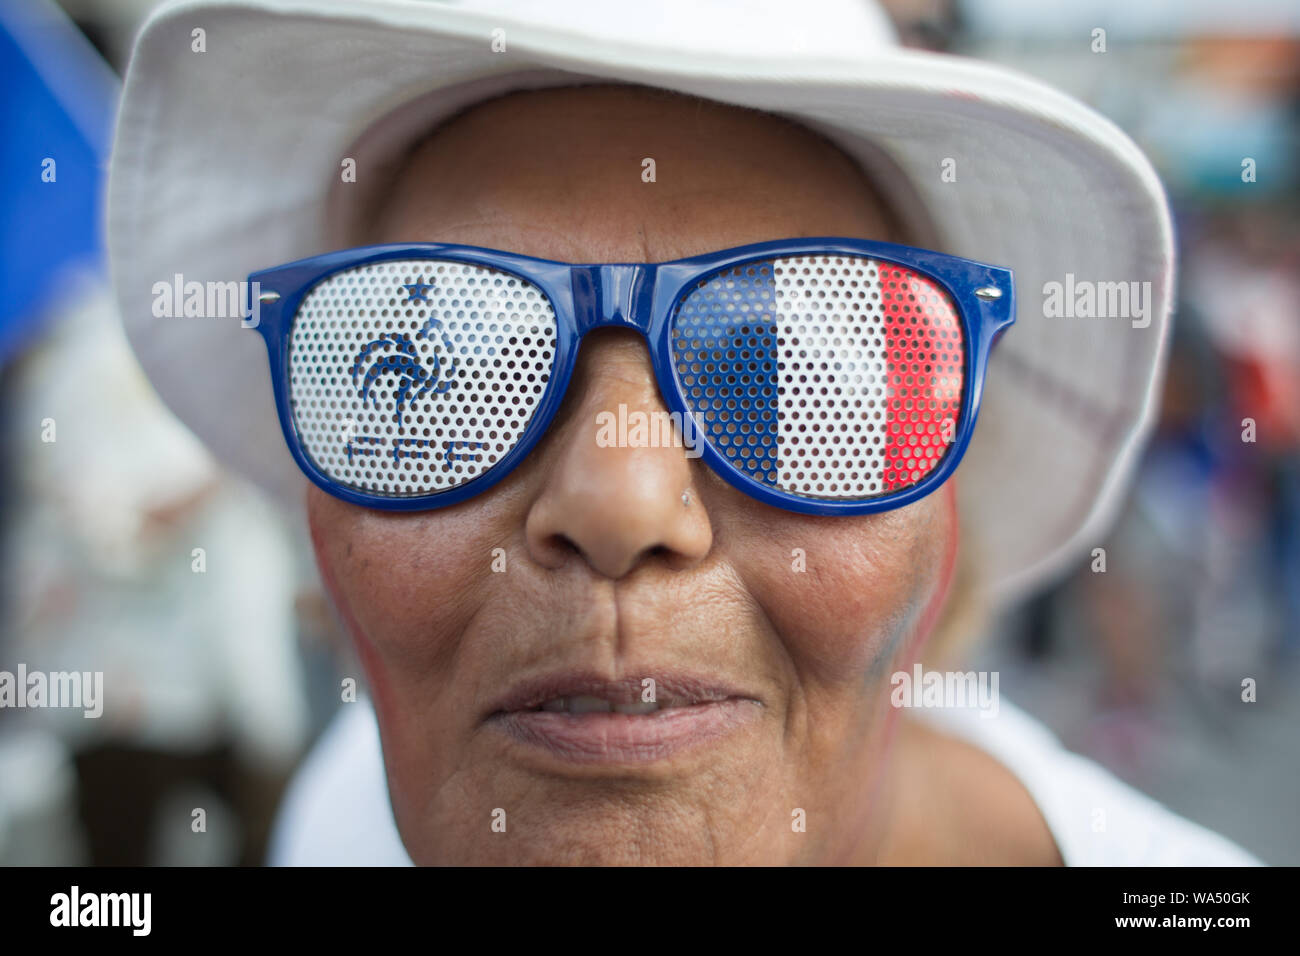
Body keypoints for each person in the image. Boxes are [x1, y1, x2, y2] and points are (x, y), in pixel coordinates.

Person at [106, 0, 1261, 865]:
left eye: (792, 375)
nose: (621, 501)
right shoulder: (345, 812)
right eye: (450, 367)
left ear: (939, 532)